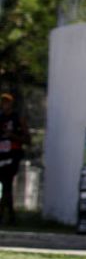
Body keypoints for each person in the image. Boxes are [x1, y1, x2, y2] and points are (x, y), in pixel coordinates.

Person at [0, 93, 27, 225]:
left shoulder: (17, 118)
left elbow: (27, 139)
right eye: (3, 102)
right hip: (1, 155)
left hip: (13, 155)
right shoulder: (0, 118)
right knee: (6, 186)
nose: (4, 105)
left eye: (7, 102)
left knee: (6, 183)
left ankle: (5, 214)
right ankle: (11, 215)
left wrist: (12, 136)